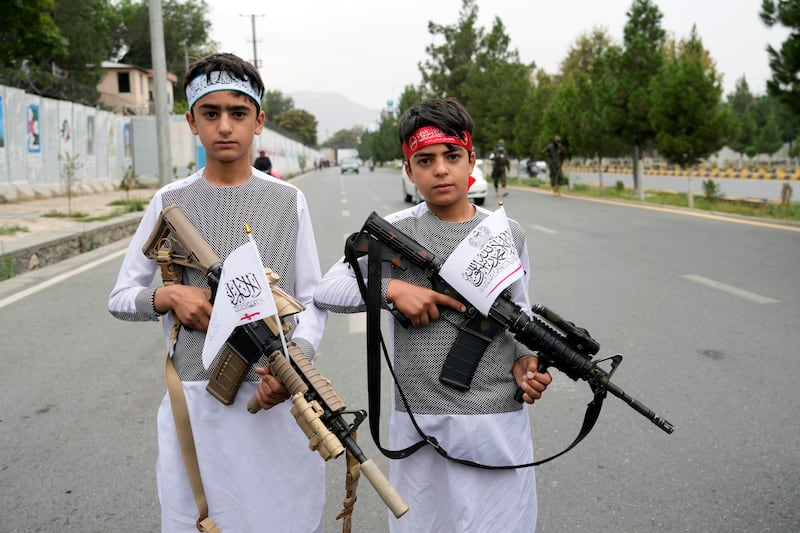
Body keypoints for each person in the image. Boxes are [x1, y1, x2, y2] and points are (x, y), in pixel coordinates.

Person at [108, 52, 328, 532]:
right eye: (211, 114)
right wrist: (167, 298)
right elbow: (122, 295)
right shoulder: (170, 201)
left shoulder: (288, 200)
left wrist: (295, 362)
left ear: (259, 122)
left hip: (274, 395)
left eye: (238, 113)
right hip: (197, 401)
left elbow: (311, 300)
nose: (224, 126)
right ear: (191, 122)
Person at [313, 98, 552, 533]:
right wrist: (392, 289)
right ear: (409, 170)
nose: (440, 169)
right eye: (425, 160)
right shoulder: (393, 232)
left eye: (452, 156)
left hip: (498, 419)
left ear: (471, 161)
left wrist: (524, 359)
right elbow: (327, 289)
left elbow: (520, 309)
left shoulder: (506, 233)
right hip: (419, 419)